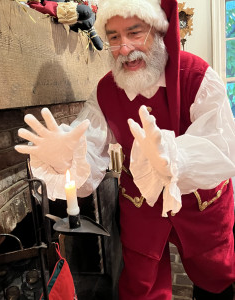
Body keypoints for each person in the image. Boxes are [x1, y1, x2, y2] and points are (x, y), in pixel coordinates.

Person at [15, 0, 235, 298]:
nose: (124, 48)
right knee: (141, 287)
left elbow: (219, 146)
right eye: (114, 37)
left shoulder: (198, 77)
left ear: (158, 31)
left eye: (135, 33)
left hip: (200, 203)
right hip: (141, 202)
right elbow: (88, 140)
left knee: (216, 276)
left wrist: (174, 159)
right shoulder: (106, 91)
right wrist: (68, 158)